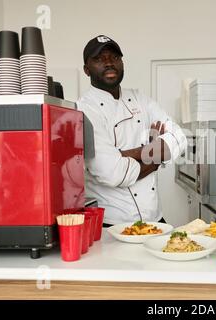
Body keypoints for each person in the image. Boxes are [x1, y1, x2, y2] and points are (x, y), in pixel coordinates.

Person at [77, 35, 187, 226]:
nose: (109, 63)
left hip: (154, 219)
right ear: (87, 70)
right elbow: (113, 173)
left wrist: (122, 154)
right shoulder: (84, 109)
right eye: (99, 59)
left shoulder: (140, 98)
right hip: (111, 223)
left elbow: (179, 138)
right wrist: (153, 155)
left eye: (114, 57)